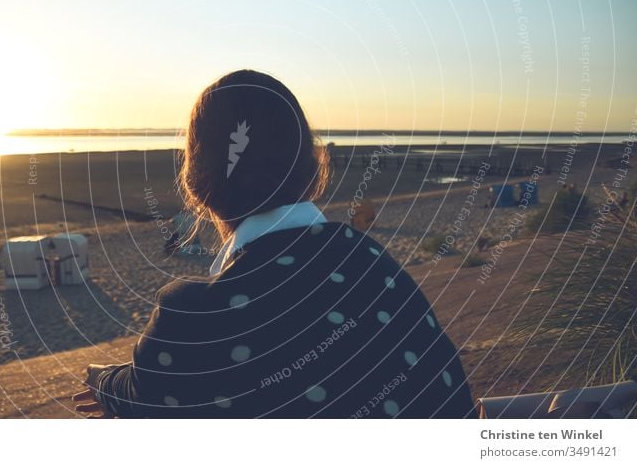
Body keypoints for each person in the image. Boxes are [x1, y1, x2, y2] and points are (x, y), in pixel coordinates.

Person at [73, 70, 475, 418]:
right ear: (315, 164)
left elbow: (147, 389)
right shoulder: (375, 264)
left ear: (195, 183)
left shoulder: (190, 322)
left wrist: (104, 380)